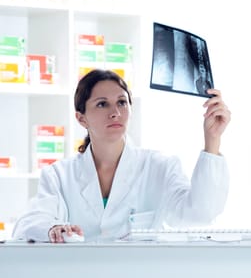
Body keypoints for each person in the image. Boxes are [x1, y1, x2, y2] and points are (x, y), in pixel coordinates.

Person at [12, 69, 231, 243]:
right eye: (102, 104)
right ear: (81, 119)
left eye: (121, 102)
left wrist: (212, 140)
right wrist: (53, 229)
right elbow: (29, 222)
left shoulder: (159, 167)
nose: (115, 112)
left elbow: (200, 213)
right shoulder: (59, 175)